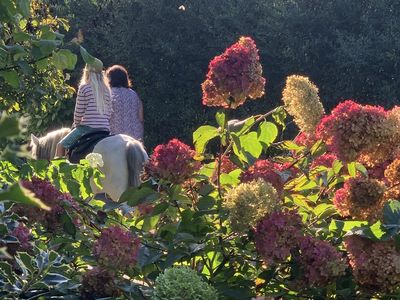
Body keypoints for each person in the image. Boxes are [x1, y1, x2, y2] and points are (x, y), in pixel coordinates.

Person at [55, 59, 112, 157]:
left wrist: (76, 124)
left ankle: (57, 171)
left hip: (87, 128)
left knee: (60, 145)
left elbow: (78, 112)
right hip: (105, 129)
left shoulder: (84, 88)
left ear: (87, 72)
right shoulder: (107, 90)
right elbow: (109, 112)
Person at [106, 65, 144, 141]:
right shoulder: (134, 94)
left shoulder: (109, 94)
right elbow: (141, 117)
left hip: (116, 138)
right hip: (135, 138)